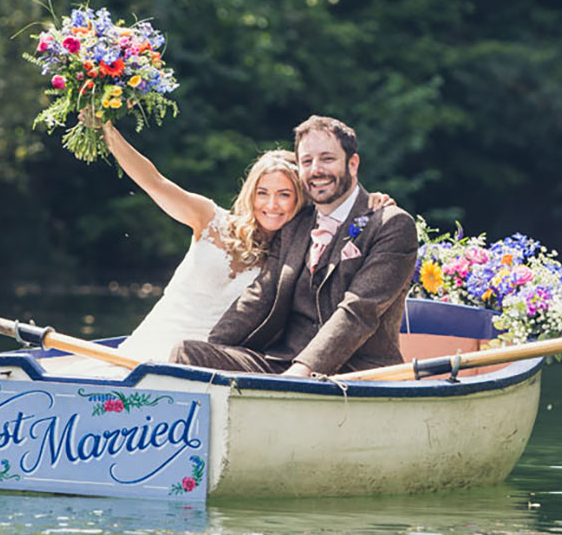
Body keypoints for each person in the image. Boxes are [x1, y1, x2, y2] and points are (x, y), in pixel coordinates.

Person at [44, 118, 394, 376]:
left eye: (284, 195)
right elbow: (154, 182)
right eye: (263, 193)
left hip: (210, 363)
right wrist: (108, 132)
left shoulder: (296, 250)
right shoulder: (210, 219)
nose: (271, 205)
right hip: (149, 345)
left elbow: (339, 203)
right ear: (251, 193)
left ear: (299, 199)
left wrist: (369, 204)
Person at [170, 115, 418, 377]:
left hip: (355, 373)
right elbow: (259, 297)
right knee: (188, 354)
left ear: (353, 164)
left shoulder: (390, 224)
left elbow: (359, 311)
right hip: (281, 363)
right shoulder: (296, 225)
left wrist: (301, 372)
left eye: (328, 159)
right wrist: (215, 347)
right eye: (307, 161)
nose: (316, 169)